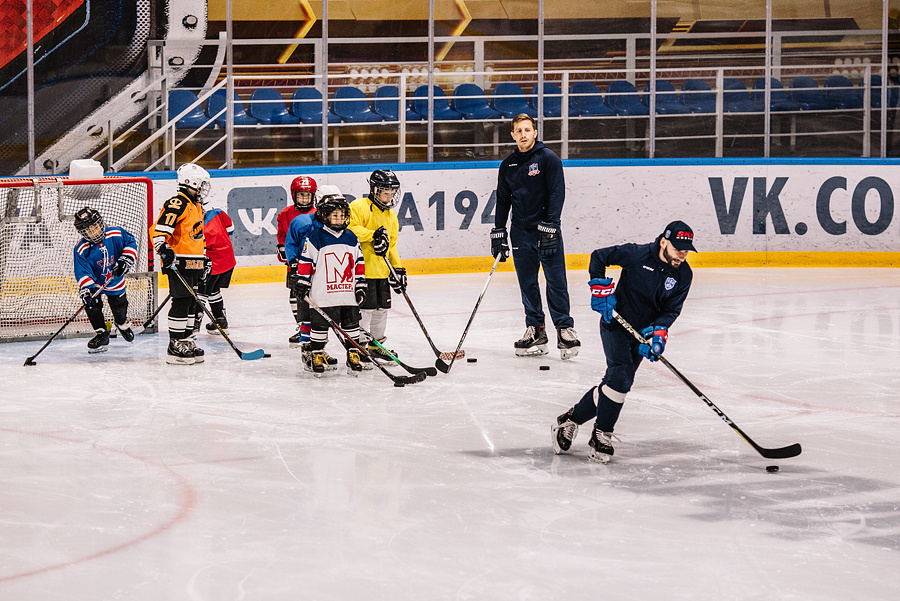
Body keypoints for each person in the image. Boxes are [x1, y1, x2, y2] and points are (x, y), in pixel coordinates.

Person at [552, 220, 697, 463]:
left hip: (641, 334)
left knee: (614, 384)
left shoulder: (683, 274)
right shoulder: (636, 253)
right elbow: (598, 257)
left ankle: (570, 419)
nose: (682, 255)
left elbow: (671, 310)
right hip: (615, 324)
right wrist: (599, 288)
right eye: (677, 248)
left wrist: (658, 332)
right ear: (663, 242)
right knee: (620, 378)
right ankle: (602, 434)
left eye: (686, 250)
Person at [491, 113, 580, 360]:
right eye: (518, 131)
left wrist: (551, 225)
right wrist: (499, 232)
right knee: (527, 283)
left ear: (535, 132)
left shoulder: (548, 158)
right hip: (520, 233)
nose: (523, 135)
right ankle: (536, 330)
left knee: (556, 281)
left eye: (527, 130)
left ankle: (564, 329)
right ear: (512, 135)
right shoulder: (507, 165)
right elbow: (502, 201)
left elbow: (556, 194)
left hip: (546, 231)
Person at [292, 187, 369, 375]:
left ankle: (353, 353)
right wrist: (302, 281)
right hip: (323, 294)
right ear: (324, 216)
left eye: (342, 215)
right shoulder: (315, 236)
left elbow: (358, 262)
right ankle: (317, 353)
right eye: (335, 216)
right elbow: (306, 261)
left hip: (347, 293)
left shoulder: (351, 237)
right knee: (319, 327)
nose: (339, 219)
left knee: (351, 325)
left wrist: (360, 285)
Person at [151, 162, 209, 365]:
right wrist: (163, 249)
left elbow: (196, 235)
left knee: (193, 302)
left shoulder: (196, 205)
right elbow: (159, 230)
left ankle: (187, 340)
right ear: (190, 183)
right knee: (182, 301)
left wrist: (204, 258)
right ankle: (175, 345)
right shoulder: (178, 203)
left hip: (194, 262)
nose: (203, 189)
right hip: (178, 262)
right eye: (200, 185)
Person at [348, 169, 406, 360]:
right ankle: (361, 346)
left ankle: (376, 345)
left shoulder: (391, 216)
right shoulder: (359, 206)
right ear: (374, 189)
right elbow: (350, 229)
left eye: (392, 193)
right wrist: (372, 235)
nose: (389, 197)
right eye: (385, 192)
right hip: (363, 271)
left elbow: (392, 246)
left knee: (382, 310)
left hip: (382, 271)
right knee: (365, 310)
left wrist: (398, 269)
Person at [72, 207, 138, 353]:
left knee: (119, 308)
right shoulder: (81, 248)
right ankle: (102, 333)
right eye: (89, 230)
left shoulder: (115, 233)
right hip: (95, 283)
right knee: (92, 305)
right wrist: (87, 289)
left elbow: (131, 242)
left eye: (95, 226)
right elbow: (82, 271)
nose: (94, 231)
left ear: (101, 223)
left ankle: (121, 323)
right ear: (83, 233)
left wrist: (126, 259)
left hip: (115, 280)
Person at [277, 175, 317, 347]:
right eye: (301, 195)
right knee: (295, 296)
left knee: (315, 295)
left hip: (314, 265)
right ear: (294, 195)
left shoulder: (318, 214)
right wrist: (285, 254)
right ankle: (302, 327)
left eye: (307, 195)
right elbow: (282, 239)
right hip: (295, 264)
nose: (304, 199)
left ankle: (315, 327)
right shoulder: (285, 214)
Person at [194, 199, 235, 335]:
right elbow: (230, 230)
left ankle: (194, 324)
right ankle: (221, 321)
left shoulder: (193, 224)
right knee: (213, 290)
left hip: (210, 263)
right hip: (227, 259)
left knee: (201, 292)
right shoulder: (218, 213)